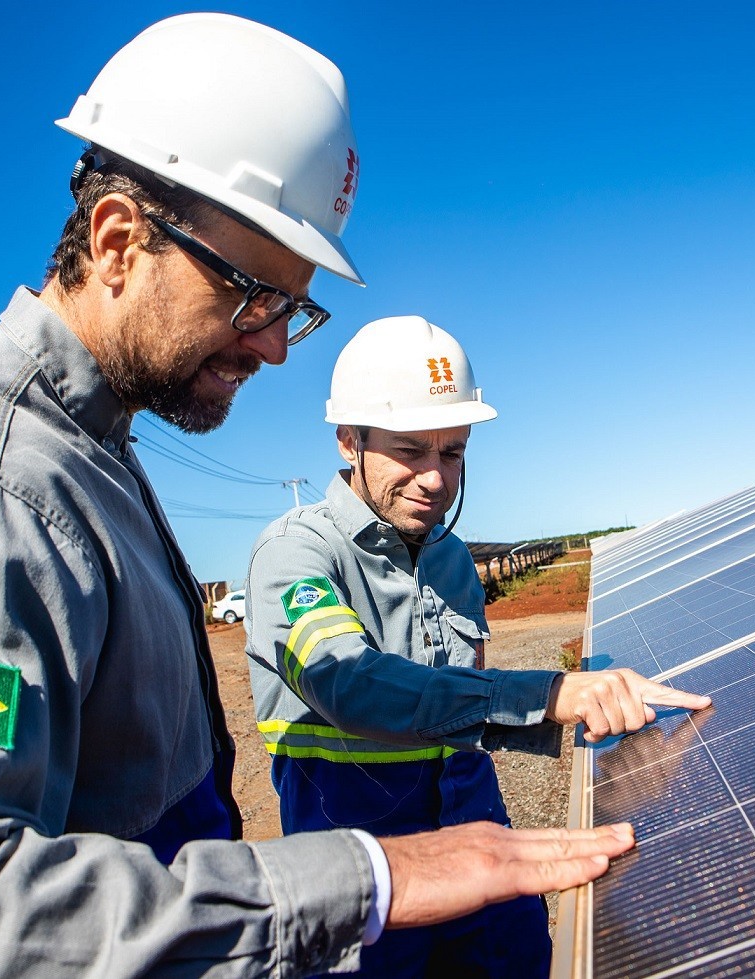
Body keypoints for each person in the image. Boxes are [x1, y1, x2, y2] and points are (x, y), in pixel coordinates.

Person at [0, 16, 640, 978]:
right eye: (252, 294)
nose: (272, 345)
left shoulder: (89, 456)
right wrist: (365, 879)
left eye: (290, 311)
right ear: (116, 241)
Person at [244, 315, 712, 977]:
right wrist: (545, 694)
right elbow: (351, 684)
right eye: (410, 450)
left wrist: (614, 735)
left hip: (479, 834)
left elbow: (465, 704)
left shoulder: (453, 559)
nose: (435, 478)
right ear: (348, 438)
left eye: (452, 451)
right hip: (369, 874)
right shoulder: (295, 555)